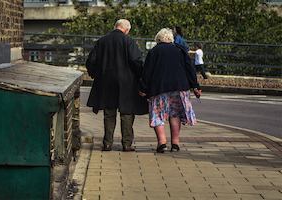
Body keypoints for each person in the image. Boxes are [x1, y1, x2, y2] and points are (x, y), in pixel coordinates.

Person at [86, 19, 148, 152]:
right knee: (126, 113)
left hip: (106, 82)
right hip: (127, 83)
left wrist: (95, 74)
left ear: (115, 27)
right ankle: (127, 144)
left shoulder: (102, 41)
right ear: (126, 29)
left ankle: (107, 143)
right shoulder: (129, 41)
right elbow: (136, 61)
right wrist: (140, 76)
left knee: (109, 113)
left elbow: (91, 61)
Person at [139, 28, 201, 153]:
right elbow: (190, 69)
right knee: (175, 114)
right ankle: (175, 143)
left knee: (158, 114)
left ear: (158, 39)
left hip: (159, 88)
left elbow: (147, 71)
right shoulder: (180, 50)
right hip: (179, 87)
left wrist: (143, 88)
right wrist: (196, 86)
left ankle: (162, 143)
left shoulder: (154, 51)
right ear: (171, 39)